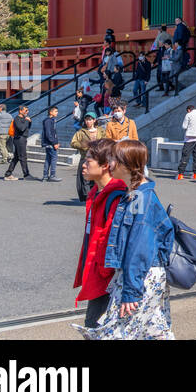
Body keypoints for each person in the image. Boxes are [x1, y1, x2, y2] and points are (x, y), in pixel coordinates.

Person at [84, 138, 175, 339]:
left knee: (118, 333)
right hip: (139, 276)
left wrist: (131, 291)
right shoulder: (134, 194)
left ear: (125, 164)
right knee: (153, 332)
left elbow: (139, 247)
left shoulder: (141, 198)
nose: (109, 164)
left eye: (113, 159)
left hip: (141, 277)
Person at [72, 139, 127, 329]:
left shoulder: (116, 195)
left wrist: (103, 275)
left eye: (89, 161)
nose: (83, 165)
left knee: (94, 325)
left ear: (105, 165)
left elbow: (112, 241)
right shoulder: (96, 192)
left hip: (107, 278)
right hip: (98, 273)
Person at [72, 115, 102, 203]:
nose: (88, 122)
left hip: (97, 158)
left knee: (96, 178)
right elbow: (73, 143)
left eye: (90, 120)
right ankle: (88, 197)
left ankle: (97, 196)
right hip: (85, 157)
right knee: (85, 179)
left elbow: (105, 141)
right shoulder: (81, 132)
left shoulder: (101, 131)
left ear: (94, 120)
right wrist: (83, 146)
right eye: (86, 120)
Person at [176, 103, 196, 180]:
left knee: (185, 156)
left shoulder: (188, 115)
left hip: (189, 139)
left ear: (189, 110)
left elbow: (184, 126)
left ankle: (180, 174)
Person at [4, 104, 32, 181]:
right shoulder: (17, 118)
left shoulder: (24, 118)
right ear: (20, 111)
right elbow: (21, 128)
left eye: (28, 110)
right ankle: (26, 174)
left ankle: (8, 174)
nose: (27, 112)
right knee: (23, 157)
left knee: (16, 157)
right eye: (26, 110)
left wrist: (29, 122)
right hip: (19, 139)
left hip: (23, 139)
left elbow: (27, 128)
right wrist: (27, 121)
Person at [41, 105, 62, 182]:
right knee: (53, 159)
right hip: (50, 144)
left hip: (49, 143)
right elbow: (49, 134)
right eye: (55, 111)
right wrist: (54, 143)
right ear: (51, 112)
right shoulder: (48, 121)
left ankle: (45, 176)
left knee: (48, 159)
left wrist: (56, 142)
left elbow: (53, 133)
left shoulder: (51, 120)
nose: (57, 113)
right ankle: (52, 175)